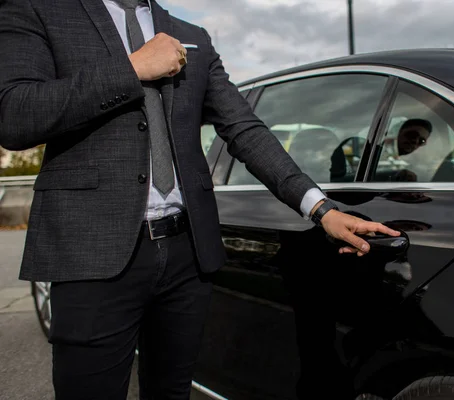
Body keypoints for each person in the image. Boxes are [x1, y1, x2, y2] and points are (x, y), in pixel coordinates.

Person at [0, 1, 399, 399]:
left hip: (185, 256)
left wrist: (320, 208)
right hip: (91, 255)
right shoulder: (41, 10)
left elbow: (244, 130)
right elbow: (15, 117)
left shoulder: (193, 37)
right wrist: (132, 68)